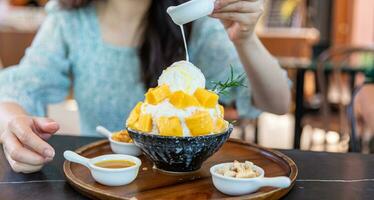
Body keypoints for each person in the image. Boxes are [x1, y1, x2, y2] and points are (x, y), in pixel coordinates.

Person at [0, 0, 290, 173]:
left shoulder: (193, 22)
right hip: (101, 178)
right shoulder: (69, 21)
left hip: (180, 185)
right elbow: (19, 88)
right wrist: (14, 125)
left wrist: (246, 38)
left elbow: (277, 102)